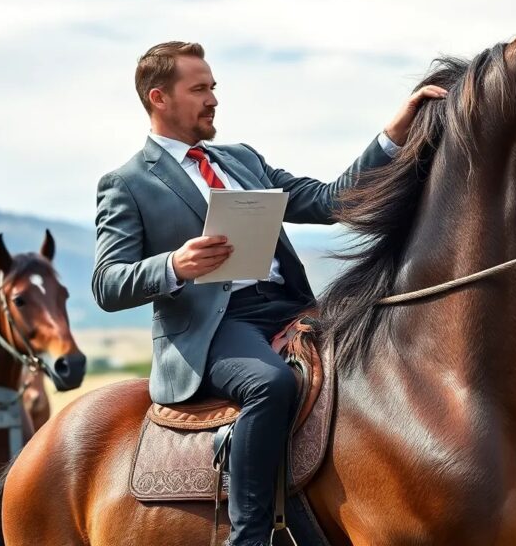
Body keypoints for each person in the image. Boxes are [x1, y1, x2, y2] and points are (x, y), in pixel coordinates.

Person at [92, 41, 445, 546]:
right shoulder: (126, 183)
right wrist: (175, 264)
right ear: (159, 98)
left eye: (213, 86)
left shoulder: (242, 159)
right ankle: (251, 536)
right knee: (270, 384)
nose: (213, 98)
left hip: (292, 309)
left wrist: (395, 133)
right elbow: (107, 282)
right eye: (199, 89)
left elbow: (330, 201)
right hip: (214, 329)